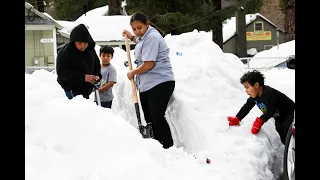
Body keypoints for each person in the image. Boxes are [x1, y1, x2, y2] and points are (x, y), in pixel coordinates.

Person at [122, 12, 175, 149]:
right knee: (150, 118)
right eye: (134, 29)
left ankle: (168, 147)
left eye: (139, 28)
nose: (137, 31)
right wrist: (131, 37)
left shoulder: (152, 37)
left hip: (160, 82)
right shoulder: (143, 37)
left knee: (157, 116)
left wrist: (132, 72)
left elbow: (149, 64)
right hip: (146, 84)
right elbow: (140, 42)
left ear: (147, 24)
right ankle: (156, 146)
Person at [227, 70, 295, 144]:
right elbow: (246, 107)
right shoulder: (255, 97)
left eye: (247, 87)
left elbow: (271, 110)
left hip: (291, 115)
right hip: (279, 118)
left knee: (290, 137)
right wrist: (237, 118)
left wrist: (259, 122)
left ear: (256, 85)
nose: (246, 91)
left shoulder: (268, 93)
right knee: (284, 138)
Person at [56, 23, 101, 100]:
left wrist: (97, 76)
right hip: (71, 90)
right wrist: (83, 77)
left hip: (86, 89)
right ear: (73, 42)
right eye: (79, 43)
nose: (82, 46)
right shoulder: (65, 53)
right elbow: (62, 72)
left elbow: (96, 64)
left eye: (85, 43)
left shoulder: (90, 50)